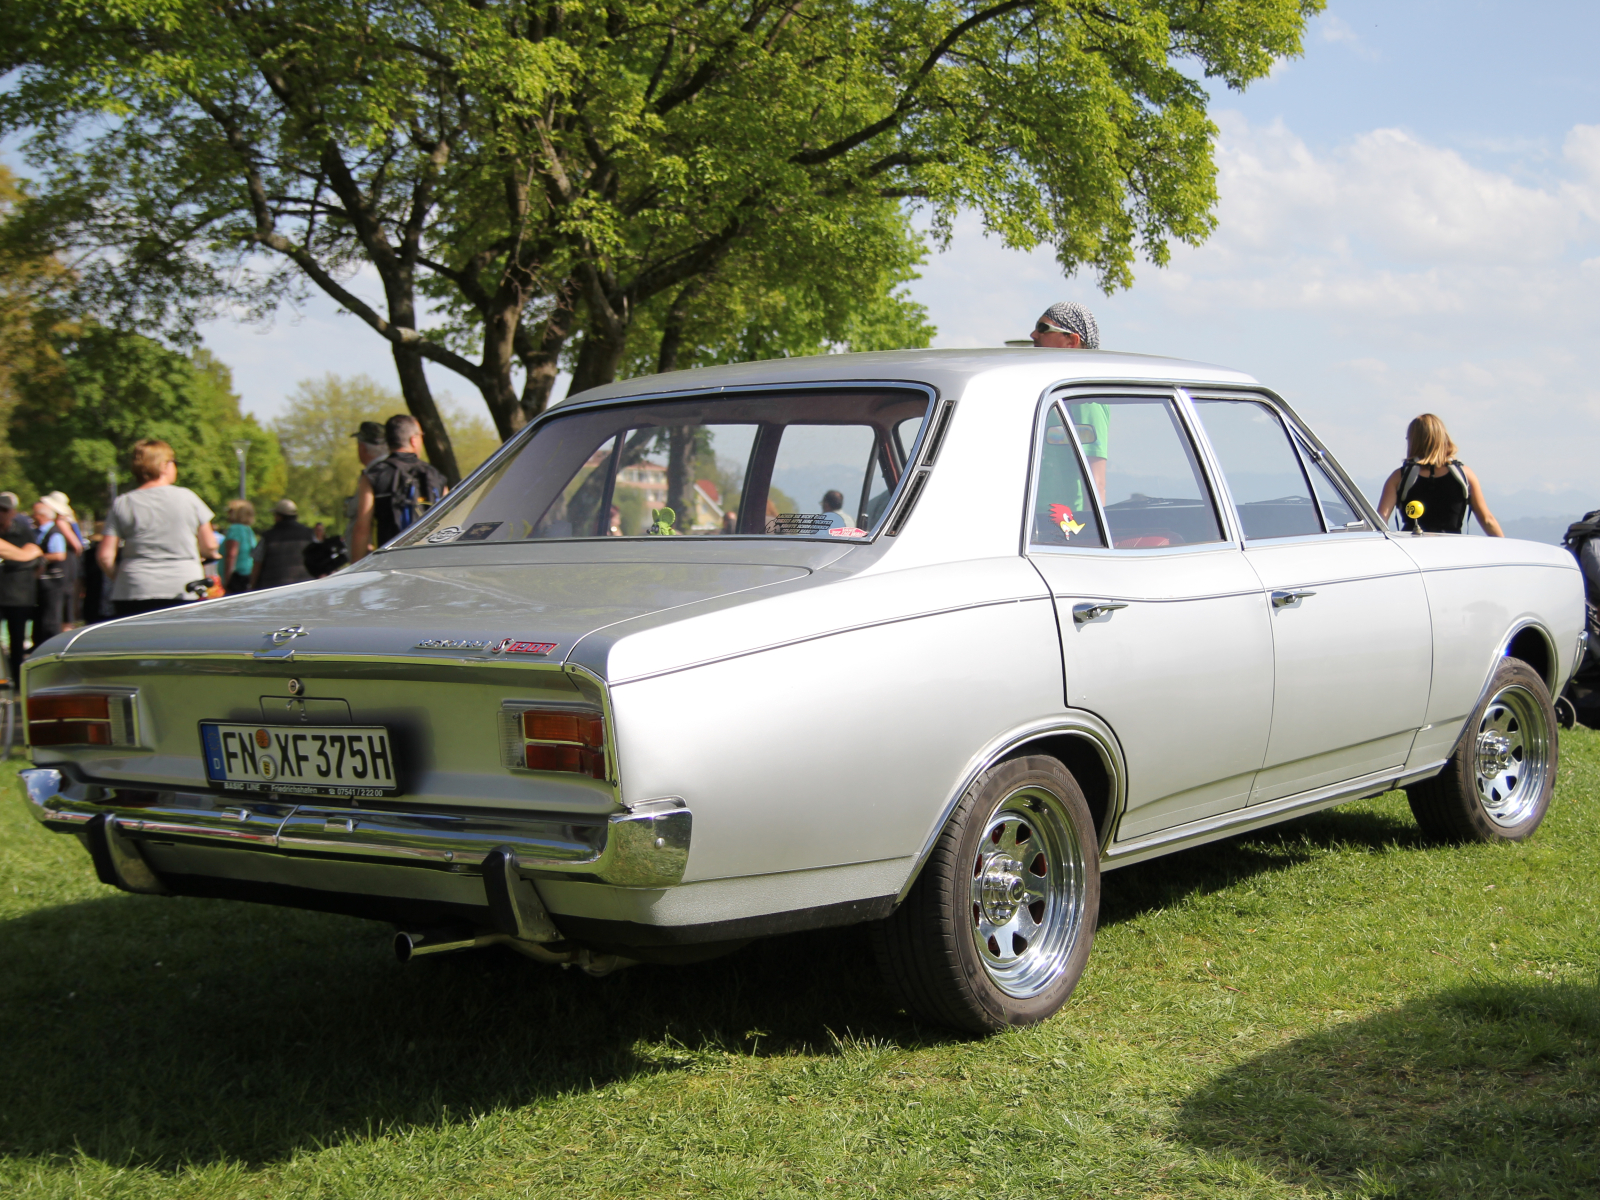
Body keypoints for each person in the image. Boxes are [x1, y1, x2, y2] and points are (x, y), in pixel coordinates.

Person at [98, 440, 218, 618]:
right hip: (183, 585)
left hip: (133, 588)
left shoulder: (123, 502)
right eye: (173, 462)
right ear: (163, 466)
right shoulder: (188, 498)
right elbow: (209, 545)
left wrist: (123, 578)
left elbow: (105, 556)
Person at [1029, 301, 1107, 500]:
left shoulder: (1084, 399)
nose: (1033, 335)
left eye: (1043, 328)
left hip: (1064, 525)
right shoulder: (1050, 393)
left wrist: (1091, 530)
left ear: (1071, 341)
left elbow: (1096, 482)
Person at [1377, 414, 1503, 536]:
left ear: (1413, 440)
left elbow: (1381, 520)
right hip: (1452, 550)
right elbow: (1487, 520)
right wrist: (1507, 548)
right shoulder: (1465, 474)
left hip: (1412, 550)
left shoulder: (1400, 477)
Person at [348, 414, 450, 561]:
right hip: (431, 562)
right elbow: (449, 521)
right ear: (413, 440)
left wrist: (356, 571)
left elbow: (362, 528)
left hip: (391, 564)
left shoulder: (374, 475)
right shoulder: (435, 476)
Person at [0, 494, 43, 685]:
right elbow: (28, 554)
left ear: (12, 513)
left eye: (4, 510)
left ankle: (17, 678)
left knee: (17, 639)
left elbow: (36, 559)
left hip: (18, 593)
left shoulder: (24, 531)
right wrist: (25, 555)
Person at [31, 496, 81, 647]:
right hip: (59, 574)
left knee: (56, 614)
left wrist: (40, 557)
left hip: (58, 575)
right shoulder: (60, 525)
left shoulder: (59, 526)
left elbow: (76, 546)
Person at [249, 499, 317, 590]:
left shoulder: (268, 537)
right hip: (304, 586)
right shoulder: (309, 534)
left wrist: (252, 586)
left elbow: (257, 563)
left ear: (279, 517)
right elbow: (318, 557)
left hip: (273, 589)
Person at [344, 420, 387, 547]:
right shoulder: (392, 471)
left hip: (373, 557)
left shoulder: (372, 476)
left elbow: (362, 522)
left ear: (362, 447)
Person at [219, 499, 258, 594]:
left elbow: (231, 554)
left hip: (236, 577)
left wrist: (227, 580)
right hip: (247, 575)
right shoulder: (248, 530)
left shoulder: (235, 529)